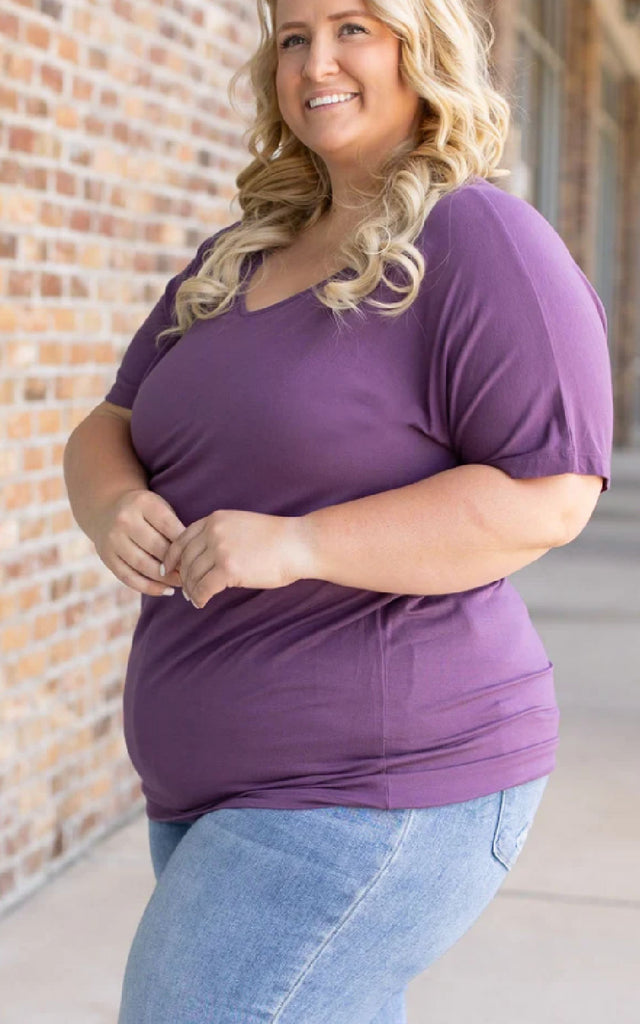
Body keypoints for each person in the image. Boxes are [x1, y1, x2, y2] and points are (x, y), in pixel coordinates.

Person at [62, 0, 614, 1021]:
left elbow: (548, 494)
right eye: (293, 35)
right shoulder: (242, 254)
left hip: (384, 776)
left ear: (423, 45)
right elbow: (109, 422)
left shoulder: (481, 239)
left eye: (355, 26)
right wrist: (113, 503)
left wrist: (301, 543)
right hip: (212, 783)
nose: (318, 59)